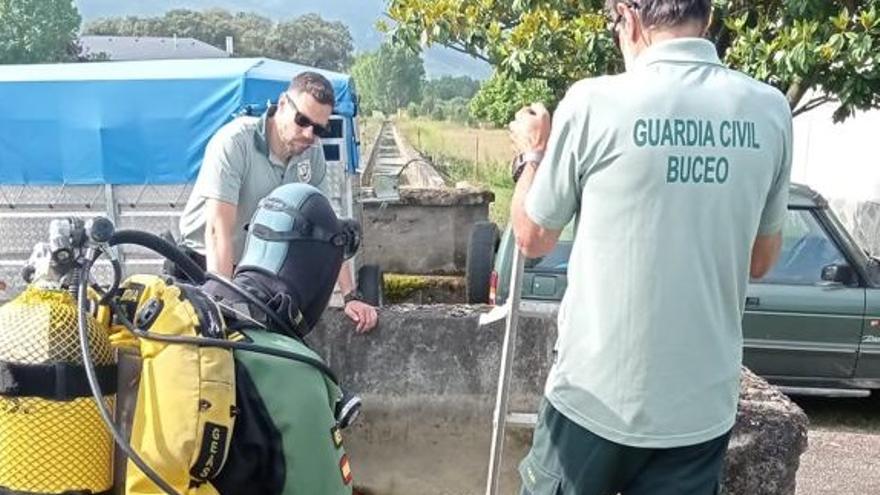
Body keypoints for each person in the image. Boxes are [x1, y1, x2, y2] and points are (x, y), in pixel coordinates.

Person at [507, 1, 792, 494]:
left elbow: (532, 238)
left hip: (593, 397)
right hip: (700, 407)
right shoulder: (770, 109)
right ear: (705, 16)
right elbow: (761, 261)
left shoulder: (593, 101)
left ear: (629, 15)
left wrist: (532, 155)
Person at [179, 71, 378, 333]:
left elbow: (328, 232)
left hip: (255, 272)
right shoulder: (234, 142)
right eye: (302, 120)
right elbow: (218, 232)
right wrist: (221, 307)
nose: (308, 134)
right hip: (204, 265)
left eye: (319, 129)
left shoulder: (312, 154)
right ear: (282, 104)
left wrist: (351, 297)